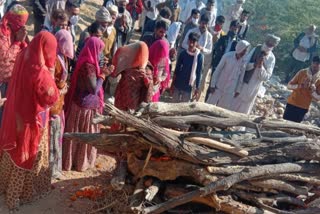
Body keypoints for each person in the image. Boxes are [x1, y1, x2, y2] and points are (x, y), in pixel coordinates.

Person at [0, 31, 59, 210]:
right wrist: (54, 79)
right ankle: (16, 198)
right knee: (26, 156)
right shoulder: (40, 71)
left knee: (12, 151)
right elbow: (51, 97)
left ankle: (3, 187)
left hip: (16, 114)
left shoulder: (22, 55)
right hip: (32, 120)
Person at [63, 37, 113, 172]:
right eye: (100, 51)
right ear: (94, 50)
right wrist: (103, 75)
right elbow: (94, 89)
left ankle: (73, 161)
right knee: (83, 135)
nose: (101, 54)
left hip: (83, 105)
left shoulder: (88, 62)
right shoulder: (88, 66)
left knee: (79, 135)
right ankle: (79, 163)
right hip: (83, 109)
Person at [232, 34, 281, 115]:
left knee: (245, 109)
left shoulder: (271, 58)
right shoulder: (256, 49)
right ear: (265, 42)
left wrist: (260, 67)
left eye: (271, 45)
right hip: (243, 83)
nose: (268, 46)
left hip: (254, 87)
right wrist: (254, 65)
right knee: (234, 104)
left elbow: (266, 77)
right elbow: (244, 65)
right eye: (268, 44)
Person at [50, 29, 73, 179]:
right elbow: (50, 82)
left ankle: (56, 168)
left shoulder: (64, 58)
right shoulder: (53, 58)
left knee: (57, 136)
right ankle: (50, 170)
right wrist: (61, 88)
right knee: (52, 137)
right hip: (53, 104)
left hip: (60, 102)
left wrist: (63, 87)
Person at [0, 4, 28, 126]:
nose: (22, 27)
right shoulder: (2, 35)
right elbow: (4, 65)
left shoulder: (15, 32)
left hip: (10, 83)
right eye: (20, 24)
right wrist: (18, 42)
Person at [206, 40, 250, 109]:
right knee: (208, 107)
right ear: (239, 48)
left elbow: (241, 77)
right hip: (218, 86)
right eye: (244, 50)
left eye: (245, 51)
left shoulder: (244, 61)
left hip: (229, 91)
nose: (244, 53)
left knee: (221, 110)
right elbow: (218, 70)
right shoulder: (227, 56)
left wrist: (238, 90)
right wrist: (212, 85)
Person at [112, 41, 153, 111]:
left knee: (129, 118)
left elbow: (150, 85)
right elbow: (115, 71)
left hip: (134, 102)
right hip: (122, 97)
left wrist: (145, 78)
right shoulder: (128, 62)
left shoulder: (147, 68)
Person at [182, 14, 212, 98]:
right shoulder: (192, 31)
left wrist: (202, 49)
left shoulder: (209, 36)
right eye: (202, 23)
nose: (204, 25)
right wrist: (192, 47)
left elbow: (209, 51)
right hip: (189, 57)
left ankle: (191, 96)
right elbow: (184, 44)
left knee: (197, 78)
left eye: (206, 24)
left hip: (199, 60)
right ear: (199, 22)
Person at [283, 56, 320, 123]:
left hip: (303, 107)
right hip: (292, 103)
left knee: (294, 128)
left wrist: (312, 91)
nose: (316, 66)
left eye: (318, 65)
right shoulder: (302, 72)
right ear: (312, 63)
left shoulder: (319, 79)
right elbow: (289, 85)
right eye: (315, 63)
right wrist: (299, 86)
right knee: (284, 123)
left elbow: (318, 98)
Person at [172, 32, 203, 102]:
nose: (191, 43)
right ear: (188, 41)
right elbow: (177, 69)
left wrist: (197, 87)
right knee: (174, 103)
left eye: (194, 41)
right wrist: (172, 84)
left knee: (184, 107)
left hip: (189, 86)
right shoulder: (183, 54)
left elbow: (199, 73)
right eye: (190, 40)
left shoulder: (199, 56)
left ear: (197, 43)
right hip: (179, 83)